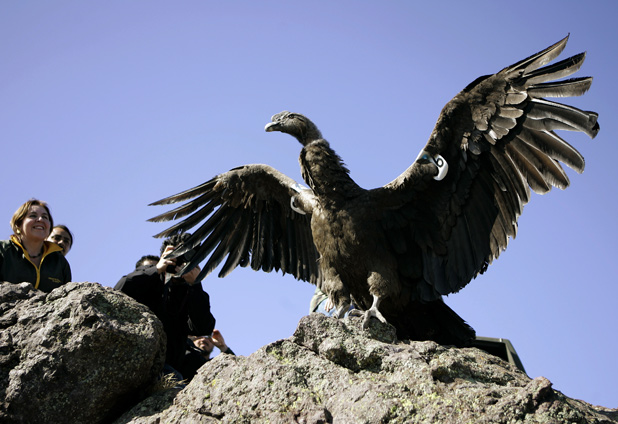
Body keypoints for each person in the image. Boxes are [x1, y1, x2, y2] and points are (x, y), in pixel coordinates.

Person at [114, 233, 216, 381]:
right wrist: (156, 269)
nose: (182, 262)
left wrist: (196, 285)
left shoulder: (192, 292)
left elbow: (203, 328)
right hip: (138, 358)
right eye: (179, 255)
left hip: (169, 369)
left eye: (189, 257)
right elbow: (120, 290)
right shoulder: (151, 279)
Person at [0, 199, 72, 292]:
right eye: (33, 216)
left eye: (45, 217)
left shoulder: (60, 262)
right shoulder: (3, 250)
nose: (40, 219)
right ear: (18, 224)